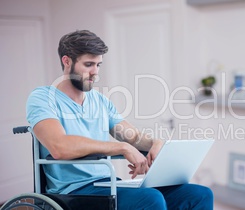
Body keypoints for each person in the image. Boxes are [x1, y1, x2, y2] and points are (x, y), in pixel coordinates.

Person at [26, 30, 213, 209]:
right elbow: (60, 147)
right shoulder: (43, 97)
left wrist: (155, 142)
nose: (95, 72)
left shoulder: (100, 100)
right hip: (73, 192)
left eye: (98, 65)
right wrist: (121, 148)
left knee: (200, 194)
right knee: (149, 199)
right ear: (66, 61)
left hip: (108, 185)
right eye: (89, 64)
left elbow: (132, 137)